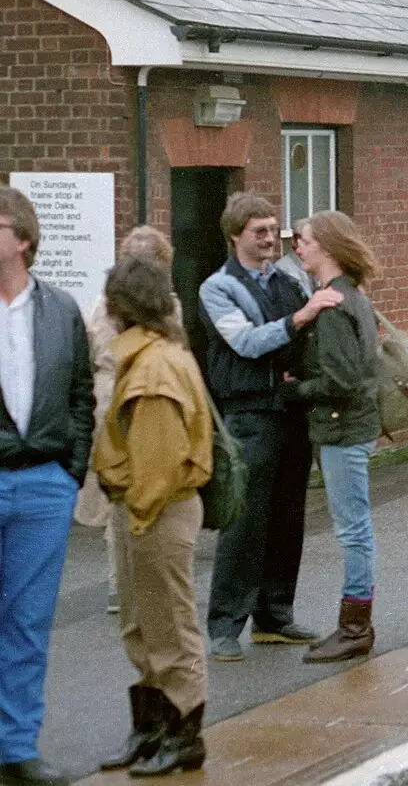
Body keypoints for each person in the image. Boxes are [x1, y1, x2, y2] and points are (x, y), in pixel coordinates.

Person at [200, 192, 340, 662]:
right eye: (259, 232)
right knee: (244, 521)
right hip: (250, 413)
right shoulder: (217, 288)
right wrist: (299, 320)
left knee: (288, 515)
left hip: (292, 410)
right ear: (234, 235)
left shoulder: (288, 278)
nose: (269, 239)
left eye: (273, 230)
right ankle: (224, 624)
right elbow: (244, 341)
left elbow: (304, 336)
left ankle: (274, 617)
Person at [94, 255, 212, 776]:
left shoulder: (154, 365)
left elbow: (159, 463)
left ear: (122, 308)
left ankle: (183, 733)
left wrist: (137, 513)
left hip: (155, 509)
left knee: (169, 624)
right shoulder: (153, 355)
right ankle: (154, 727)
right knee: (144, 624)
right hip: (145, 508)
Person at [0, 186, 93, 786]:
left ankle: (15, 747)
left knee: (27, 623)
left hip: (44, 488)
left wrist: (70, 471)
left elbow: (83, 395)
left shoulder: (61, 309)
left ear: (24, 240)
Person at [284, 211, 384, 662]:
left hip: (343, 428)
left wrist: (294, 389)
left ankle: (355, 628)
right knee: (355, 527)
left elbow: (341, 379)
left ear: (324, 245)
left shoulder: (333, 303)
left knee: (353, 529)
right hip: (352, 425)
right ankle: (355, 624)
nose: (296, 247)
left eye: (301, 240)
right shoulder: (350, 296)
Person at [83, 226, 180, 616]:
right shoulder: (168, 305)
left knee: (118, 492)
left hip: (109, 395)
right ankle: (141, 583)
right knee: (149, 491)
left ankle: (118, 584)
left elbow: (88, 350)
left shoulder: (101, 302)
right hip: (146, 395)